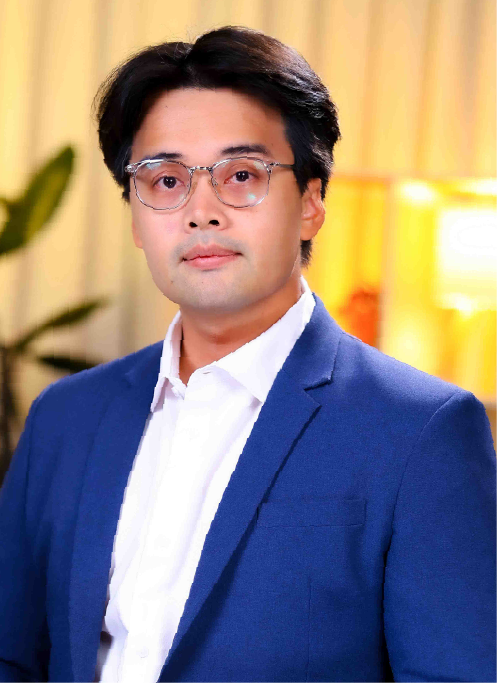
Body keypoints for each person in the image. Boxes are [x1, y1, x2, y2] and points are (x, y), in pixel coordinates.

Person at [0, 25, 495, 683]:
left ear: (311, 202)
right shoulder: (65, 416)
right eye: (166, 179)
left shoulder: (421, 431)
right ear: (135, 216)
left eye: (241, 175)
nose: (201, 211)